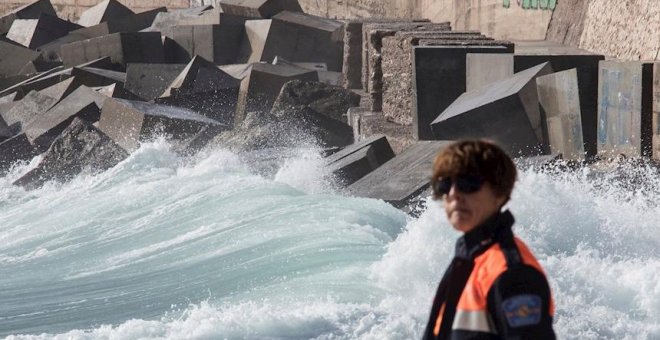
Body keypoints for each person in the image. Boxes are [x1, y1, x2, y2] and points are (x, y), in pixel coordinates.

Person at [423, 140, 556, 340]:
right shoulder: (469, 259)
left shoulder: (512, 273)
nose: (454, 194)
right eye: (445, 184)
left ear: (499, 193)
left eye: (469, 183)